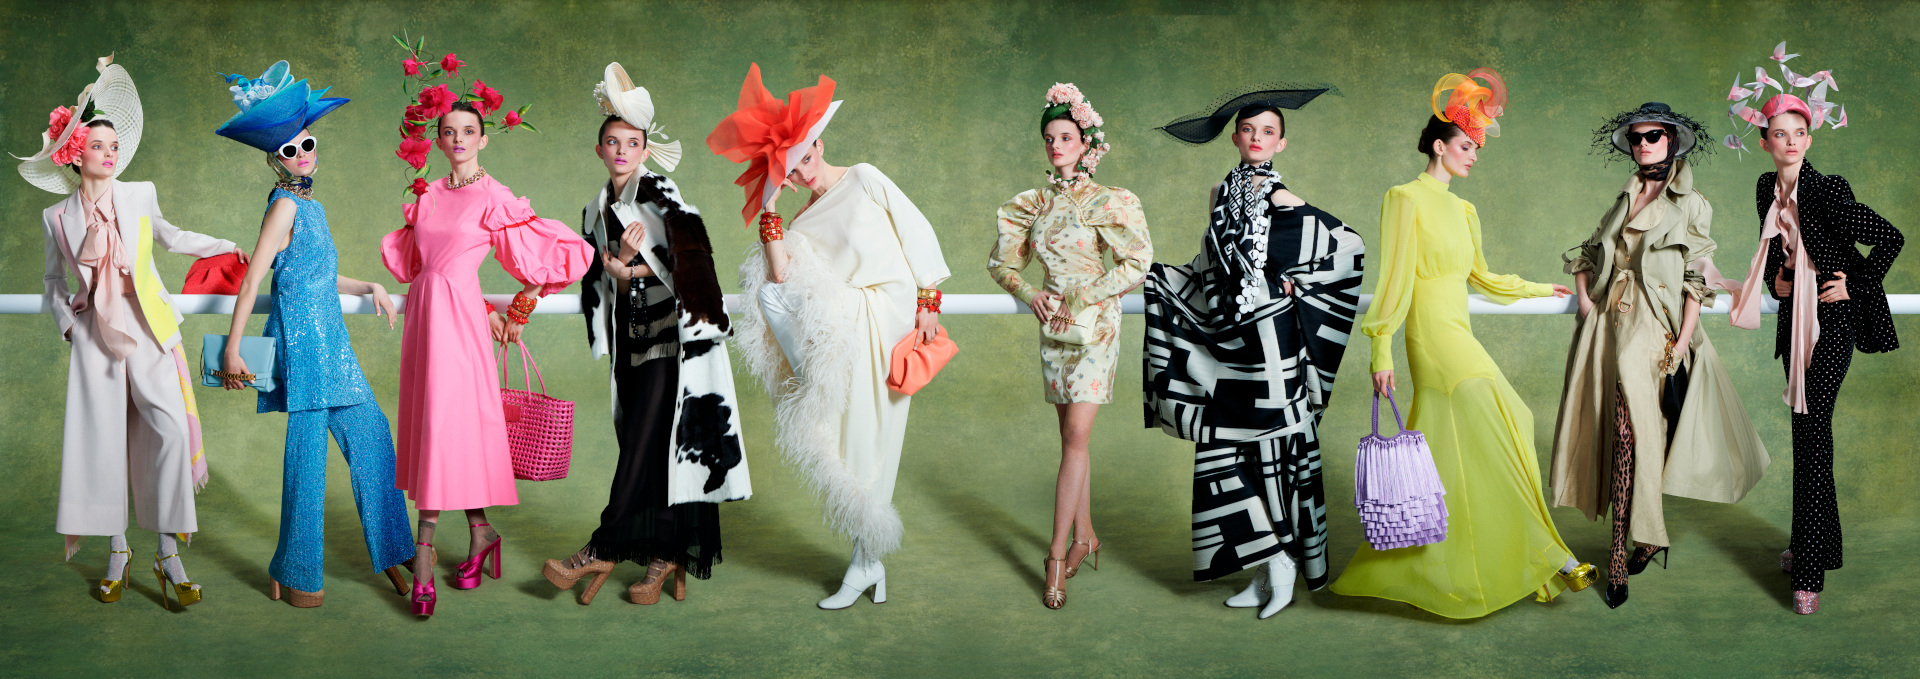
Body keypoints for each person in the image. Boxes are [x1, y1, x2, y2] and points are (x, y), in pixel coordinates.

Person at [1328, 69, 1597, 618]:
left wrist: (1535, 288)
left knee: (1501, 428)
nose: (1473, 155)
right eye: (1466, 145)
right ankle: (1557, 557)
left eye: (1477, 147)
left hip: (1459, 327)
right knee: (1499, 414)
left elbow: (1482, 277)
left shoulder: (1465, 209)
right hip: (1430, 338)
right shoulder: (1404, 198)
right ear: (1438, 144)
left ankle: (1536, 553)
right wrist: (1381, 350)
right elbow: (1396, 277)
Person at [707, 64, 950, 610]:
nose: (803, 166)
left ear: (820, 140)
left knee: (877, 439)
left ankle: (866, 565)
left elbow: (917, 230)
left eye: (807, 151)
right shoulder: (801, 218)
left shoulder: (864, 176)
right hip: (843, 329)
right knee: (857, 436)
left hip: (887, 311)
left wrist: (929, 299)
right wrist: (769, 206)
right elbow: (779, 279)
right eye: (790, 165)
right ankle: (868, 563)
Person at [22, 56, 243, 608]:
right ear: (75, 154)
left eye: (115, 145)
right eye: (100, 146)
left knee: (167, 429)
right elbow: (53, 282)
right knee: (104, 443)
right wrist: (69, 328)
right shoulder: (56, 217)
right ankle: (118, 552)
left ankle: (168, 553)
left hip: (147, 326)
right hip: (94, 334)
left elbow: (170, 237)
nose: (112, 153)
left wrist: (225, 245)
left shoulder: (139, 193)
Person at [1142, 84, 1361, 619]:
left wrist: (1299, 285)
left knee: (1273, 451)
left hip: (1273, 343)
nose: (1257, 139)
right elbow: (1207, 260)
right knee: (1227, 449)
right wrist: (1164, 281)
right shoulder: (1220, 192)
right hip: (1230, 340)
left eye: (1268, 132)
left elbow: (1347, 246)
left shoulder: (1285, 199)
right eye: (1249, 130)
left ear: (1281, 144)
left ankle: (1284, 562)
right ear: (1236, 137)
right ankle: (1263, 568)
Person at [543, 63, 750, 606]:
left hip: (670, 344)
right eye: (611, 142)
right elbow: (593, 272)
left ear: (643, 151)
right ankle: (665, 553)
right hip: (631, 342)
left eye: (630, 143)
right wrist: (605, 277)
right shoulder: (595, 207)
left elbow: (691, 258)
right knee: (652, 444)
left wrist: (629, 267)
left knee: (643, 445)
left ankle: (603, 547)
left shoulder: (659, 191)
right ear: (599, 149)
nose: (620, 151)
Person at [381, 84, 593, 616]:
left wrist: (519, 305)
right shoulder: (427, 193)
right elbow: (417, 267)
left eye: (468, 132)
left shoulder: (495, 197)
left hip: (458, 326)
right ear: (437, 138)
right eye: (448, 132)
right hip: (425, 320)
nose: (458, 140)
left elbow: (550, 255)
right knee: (440, 433)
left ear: (483, 139)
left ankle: (424, 551)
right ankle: (480, 532)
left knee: (443, 429)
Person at [1548, 102, 1768, 609]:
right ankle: (1645, 538)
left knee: (1632, 432)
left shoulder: (1693, 204)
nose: (1644, 144)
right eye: (1638, 137)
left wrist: (1680, 339)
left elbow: (1694, 279)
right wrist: (1584, 297)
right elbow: (1588, 252)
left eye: (1654, 136)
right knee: (1619, 430)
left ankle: (1622, 558)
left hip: (1654, 328)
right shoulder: (1624, 195)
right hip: (1607, 324)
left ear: (1673, 142)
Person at [212, 60, 414, 608]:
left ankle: (396, 551)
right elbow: (256, 278)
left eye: (308, 144)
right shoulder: (282, 206)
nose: (303, 155)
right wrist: (232, 347)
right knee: (307, 459)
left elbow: (317, 273)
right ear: (274, 160)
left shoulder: (314, 207)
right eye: (290, 150)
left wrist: (366, 283)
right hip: (301, 345)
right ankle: (296, 569)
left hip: (334, 344)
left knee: (372, 438)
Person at [1715, 50, 1901, 613]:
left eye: (1799, 132)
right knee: (1807, 440)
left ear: (1809, 139)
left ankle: (1810, 574)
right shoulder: (1762, 192)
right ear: (1766, 142)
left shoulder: (1829, 190)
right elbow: (1781, 261)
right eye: (1779, 134)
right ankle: (1812, 545)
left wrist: (1857, 283)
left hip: (1832, 325)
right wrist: (1778, 281)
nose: (1790, 142)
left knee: (1813, 441)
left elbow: (1889, 236)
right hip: (1795, 327)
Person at [988, 83, 1151, 609]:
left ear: (1086, 144)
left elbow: (1137, 263)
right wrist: (1029, 292)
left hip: (1095, 325)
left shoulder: (1110, 201)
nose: (1057, 145)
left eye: (1066, 137)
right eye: (1050, 138)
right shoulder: (1029, 204)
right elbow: (1000, 264)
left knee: (1077, 433)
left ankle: (1055, 556)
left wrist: (1085, 292)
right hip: (1054, 326)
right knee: (1069, 437)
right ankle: (1087, 536)